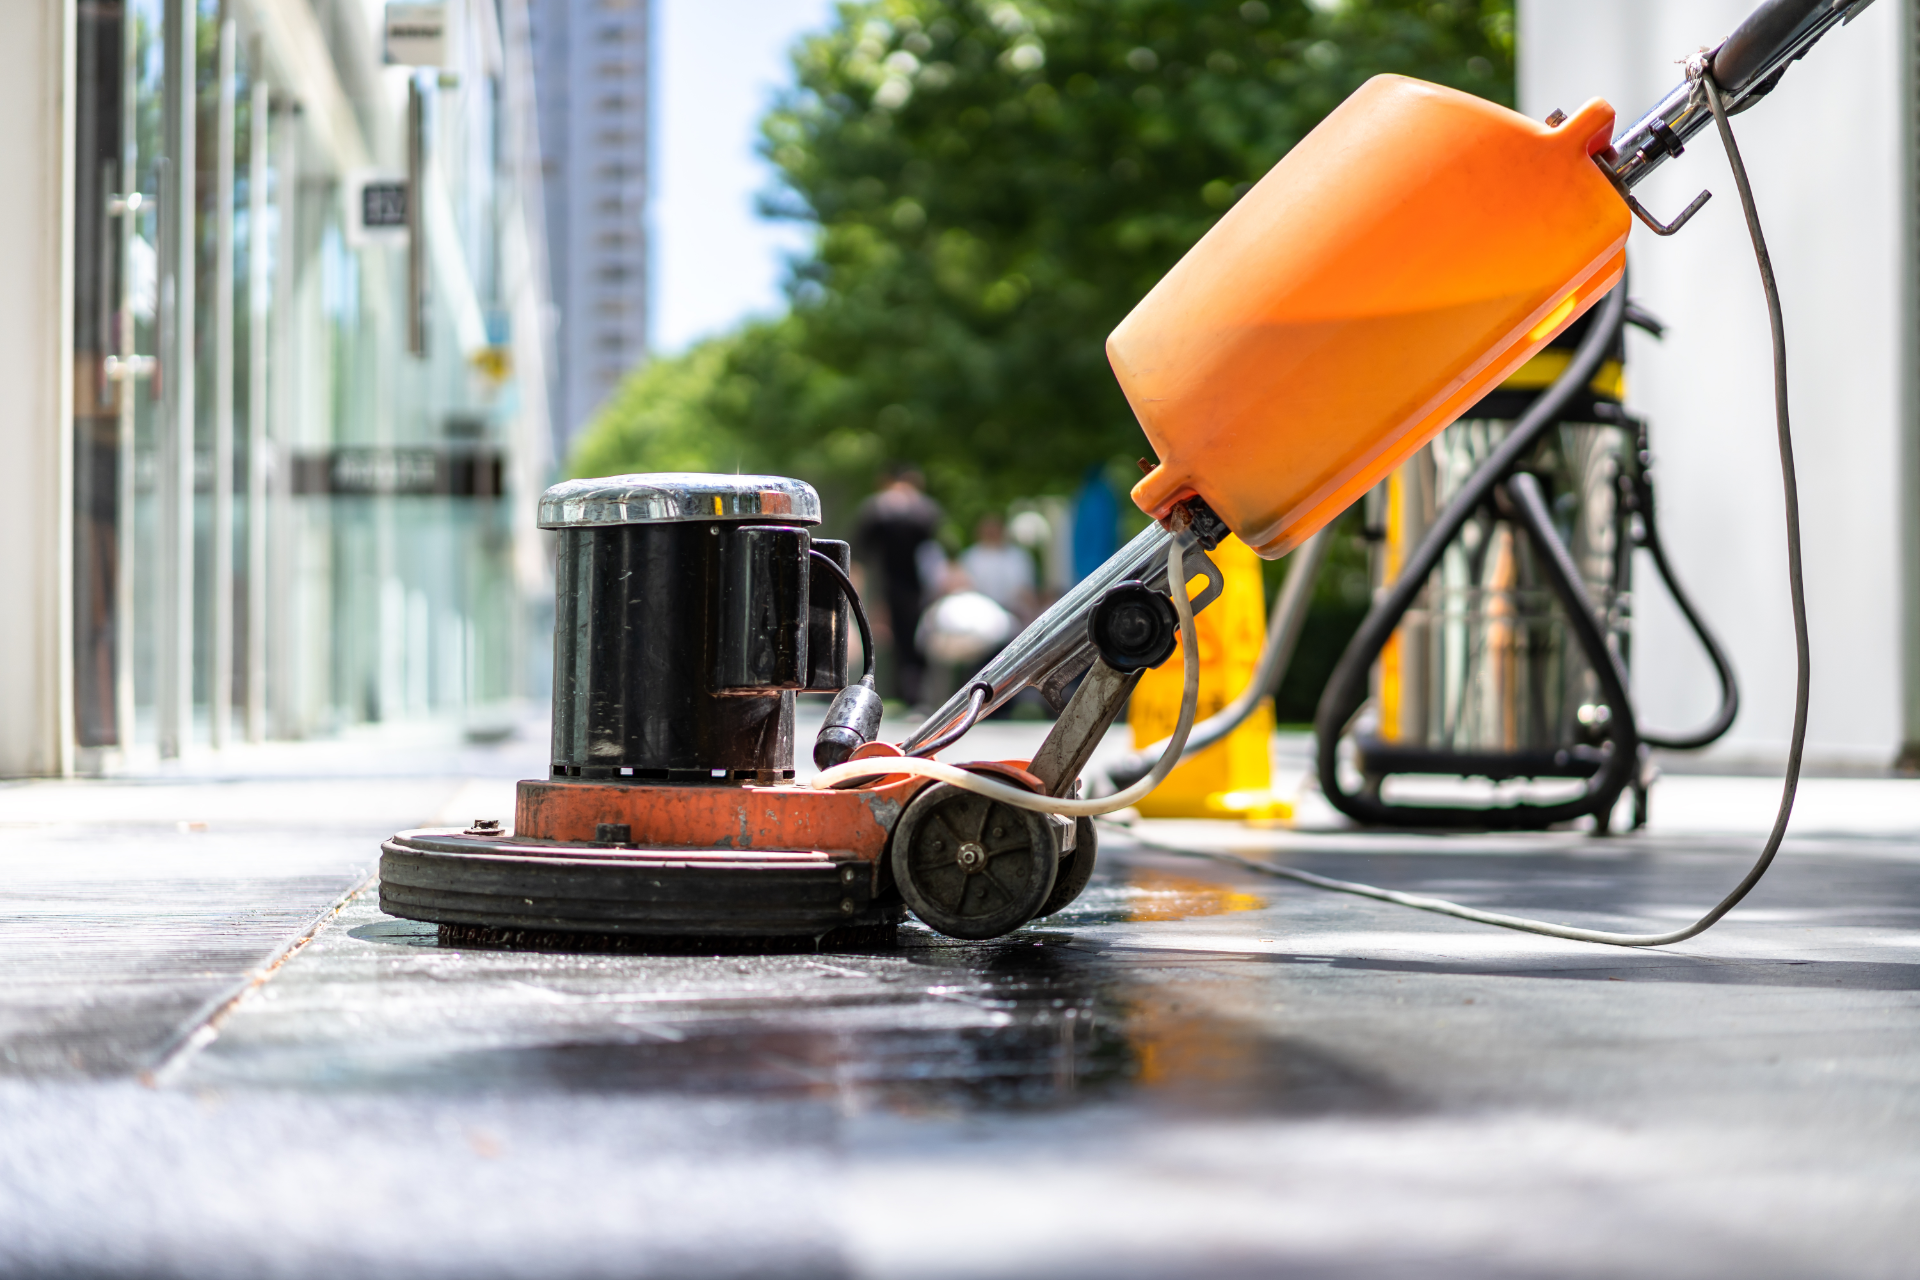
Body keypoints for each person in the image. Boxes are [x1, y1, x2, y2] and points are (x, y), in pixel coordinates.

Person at [853, 464, 944, 706]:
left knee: (904, 642)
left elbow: (861, 554)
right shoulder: (919, 508)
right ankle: (911, 697)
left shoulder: (880, 508)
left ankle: (907, 696)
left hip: (897, 586)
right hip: (907, 586)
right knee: (909, 642)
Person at [955, 512, 1038, 626]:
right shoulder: (970, 557)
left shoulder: (1018, 556)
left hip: (1014, 614)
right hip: (980, 615)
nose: (992, 532)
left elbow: (1026, 589)